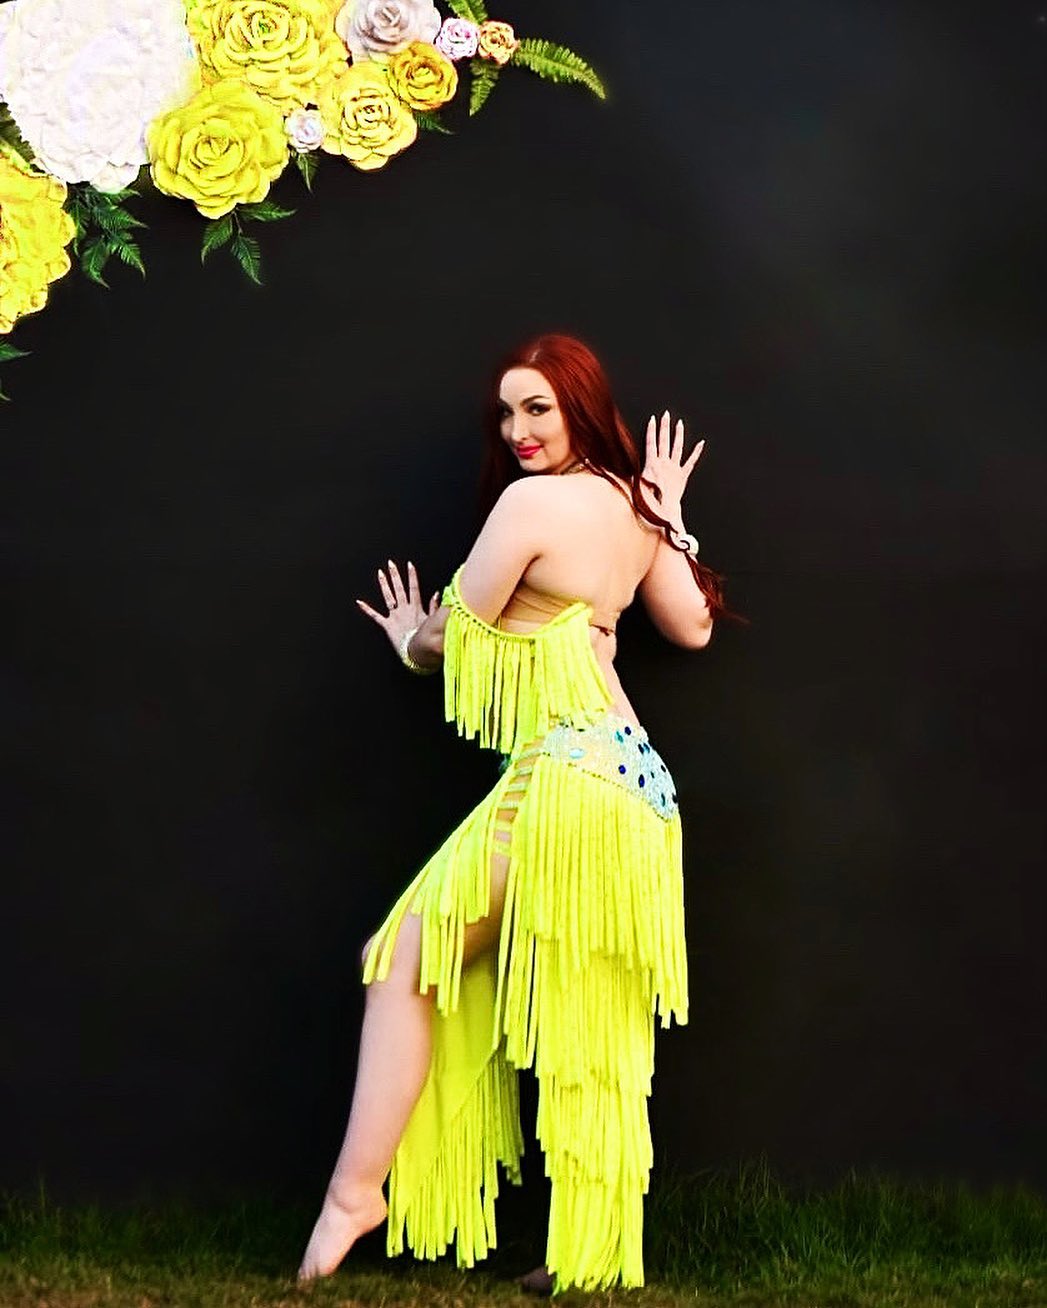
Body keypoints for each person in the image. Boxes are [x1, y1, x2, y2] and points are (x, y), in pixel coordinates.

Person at [297, 333, 733, 1295]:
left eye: (537, 407)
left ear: (581, 403)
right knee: (591, 1032)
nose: (517, 429)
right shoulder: (632, 507)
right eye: (505, 412)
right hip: (639, 790)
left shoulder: (528, 506)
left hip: (568, 773)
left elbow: (452, 639)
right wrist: (669, 522)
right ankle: (592, 1256)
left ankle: (354, 1195)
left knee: (403, 959)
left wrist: (405, 635)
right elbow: (692, 629)